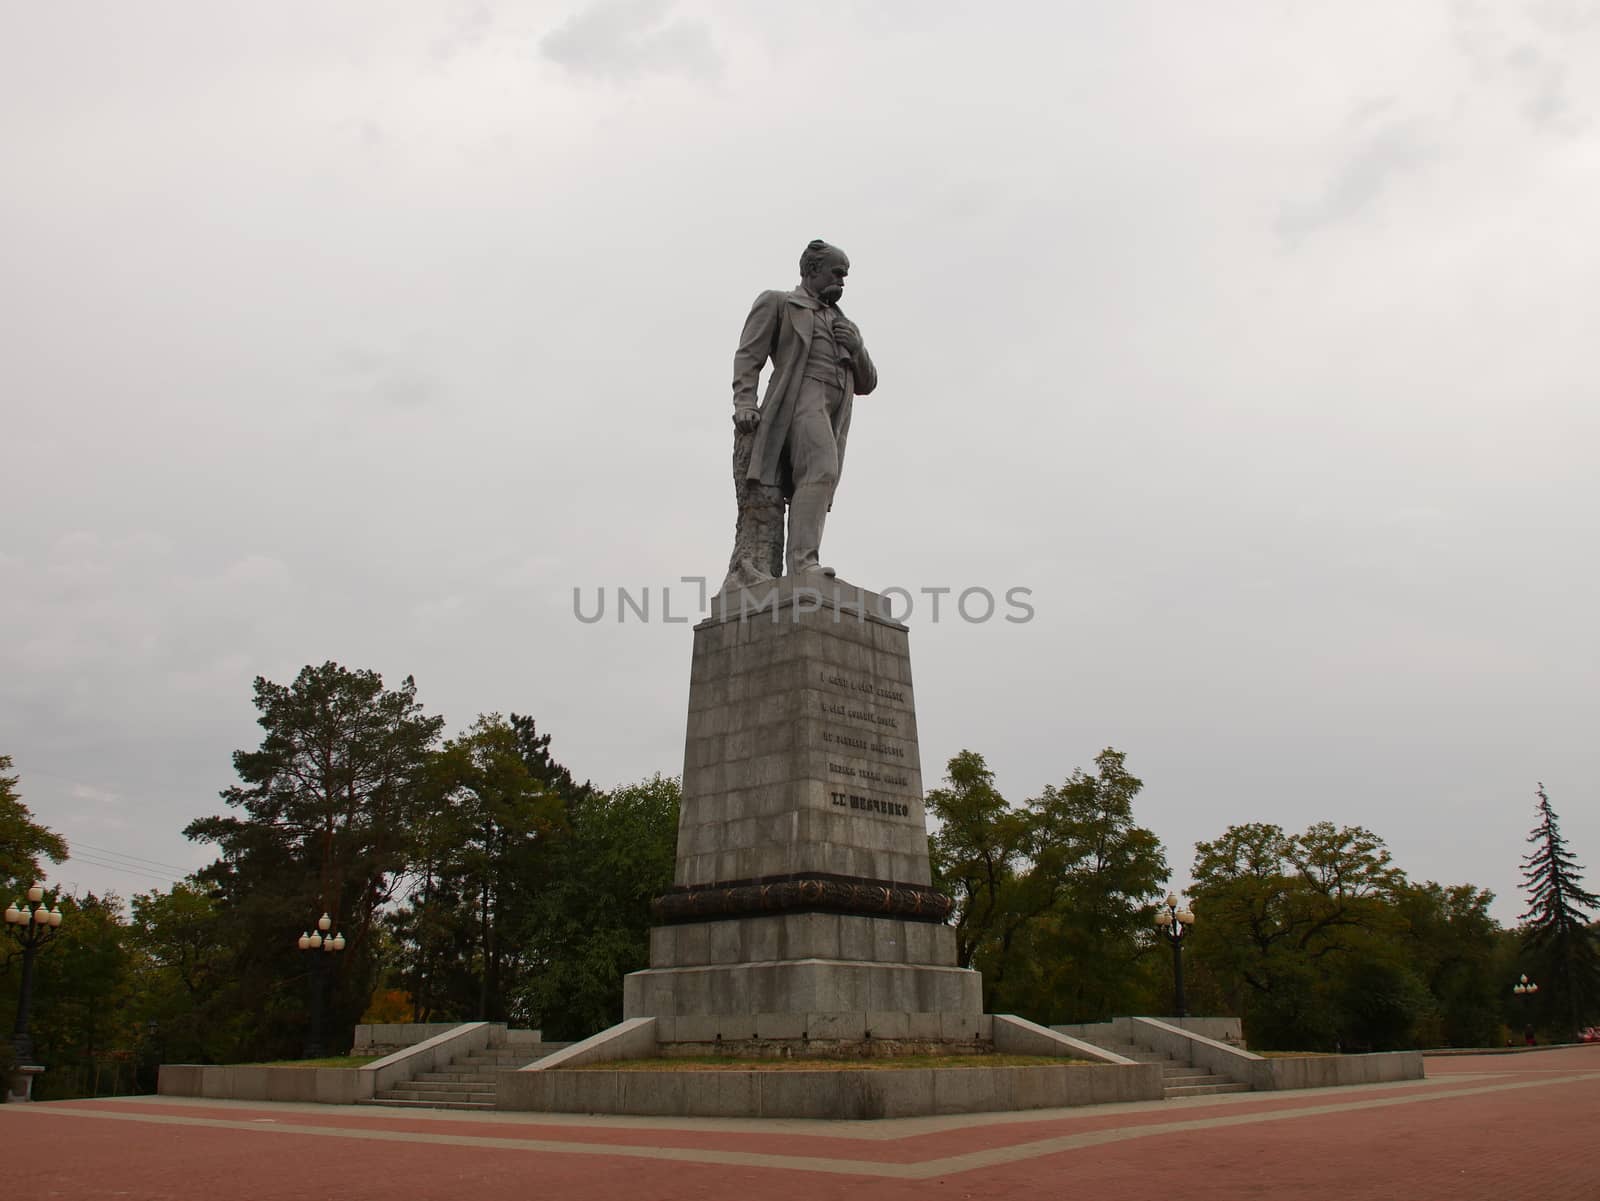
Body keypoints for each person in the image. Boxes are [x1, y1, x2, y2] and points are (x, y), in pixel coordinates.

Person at [720, 239, 878, 590]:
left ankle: (804, 563)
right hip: (798, 395)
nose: (842, 280)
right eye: (837, 272)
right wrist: (743, 403)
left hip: (836, 409)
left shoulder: (845, 323)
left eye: (846, 275)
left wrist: (857, 348)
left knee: (823, 477)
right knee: (822, 468)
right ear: (812, 270)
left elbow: (868, 383)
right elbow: (748, 357)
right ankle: (804, 564)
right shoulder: (779, 302)